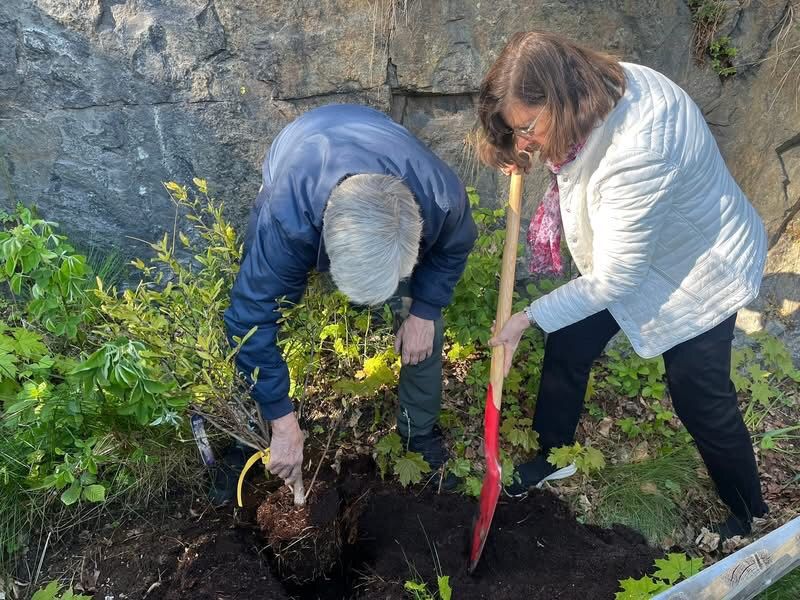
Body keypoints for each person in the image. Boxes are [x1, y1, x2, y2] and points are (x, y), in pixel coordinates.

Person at [478, 31, 768, 539]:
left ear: (561, 98)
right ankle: (554, 456)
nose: (524, 141)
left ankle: (749, 514)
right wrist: (516, 144)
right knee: (569, 339)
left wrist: (526, 317)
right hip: (635, 250)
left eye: (527, 128)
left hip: (698, 268)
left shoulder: (638, 149)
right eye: (515, 130)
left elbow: (618, 277)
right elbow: (614, 253)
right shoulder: (594, 92)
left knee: (698, 393)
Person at [214, 104, 477, 503]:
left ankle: (418, 433)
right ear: (326, 250)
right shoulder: (287, 220)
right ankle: (253, 434)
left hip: (377, 149)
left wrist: (424, 310)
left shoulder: (441, 198)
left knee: (424, 323)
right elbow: (250, 319)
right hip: (301, 149)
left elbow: (453, 250)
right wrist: (283, 421)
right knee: (256, 319)